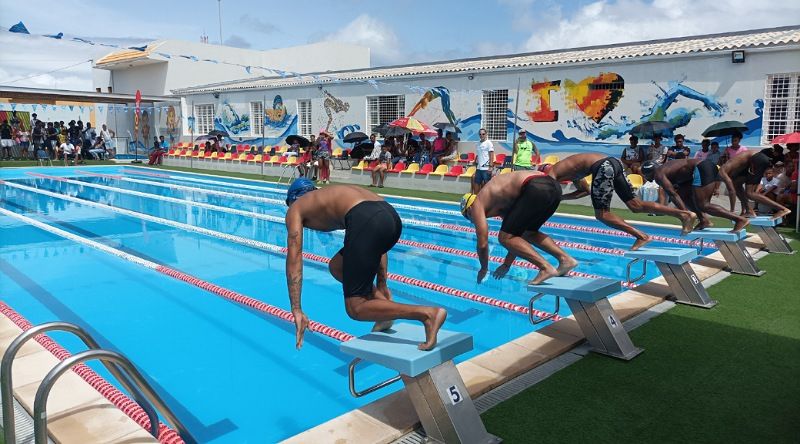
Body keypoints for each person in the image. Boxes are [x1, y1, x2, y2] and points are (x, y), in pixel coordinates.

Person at [283, 178, 447, 350]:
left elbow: (295, 256)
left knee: (356, 308)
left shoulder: (296, 207)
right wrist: (382, 285)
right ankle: (383, 309)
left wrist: (296, 308)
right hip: (390, 217)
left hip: (367, 220)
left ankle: (427, 315)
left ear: (294, 198)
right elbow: (375, 240)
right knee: (337, 267)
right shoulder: (329, 195)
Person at [550, 153, 696, 250]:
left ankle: (642, 236)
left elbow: (544, 197)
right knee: (635, 205)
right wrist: (563, 197)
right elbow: (585, 191)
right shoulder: (569, 171)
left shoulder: (550, 175)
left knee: (602, 214)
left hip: (603, 166)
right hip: (615, 163)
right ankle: (684, 214)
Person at [460, 170, 577, 285]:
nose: (472, 221)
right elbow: (517, 237)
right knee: (527, 233)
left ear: (469, 209)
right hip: (554, 188)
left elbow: (483, 244)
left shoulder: (477, 204)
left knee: (504, 238)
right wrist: (507, 264)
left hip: (536, 186)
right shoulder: (500, 202)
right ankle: (566, 259)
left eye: (468, 217)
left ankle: (545, 267)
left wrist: (483, 269)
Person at [641, 159, 749, 232]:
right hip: (701, 168)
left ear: (648, 173)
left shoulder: (658, 175)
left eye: (645, 175)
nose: (646, 178)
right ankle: (703, 220)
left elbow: (672, 194)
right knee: (683, 195)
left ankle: (739, 220)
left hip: (702, 168)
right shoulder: (665, 169)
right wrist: (686, 212)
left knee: (704, 205)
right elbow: (678, 193)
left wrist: (685, 215)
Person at [719, 150, 791, 219]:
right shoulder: (735, 168)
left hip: (757, 159)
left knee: (750, 193)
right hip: (755, 160)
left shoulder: (722, 171)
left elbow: (731, 191)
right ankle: (749, 211)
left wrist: (732, 211)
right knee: (736, 185)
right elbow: (736, 188)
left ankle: (782, 209)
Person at [472, 128, 494, 194]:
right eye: (480, 134)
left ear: (486, 134)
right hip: (479, 168)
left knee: (487, 185)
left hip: (486, 168)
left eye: (483, 134)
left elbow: (491, 155)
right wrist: (475, 161)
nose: (482, 135)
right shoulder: (478, 143)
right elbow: (478, 154)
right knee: (476, 183)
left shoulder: (489, 143)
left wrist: (490, 167)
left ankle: (487, 201)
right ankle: (476, 199)